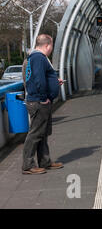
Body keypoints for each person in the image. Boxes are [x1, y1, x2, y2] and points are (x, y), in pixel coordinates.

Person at [21, 34, 64, 175]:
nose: (51, 48)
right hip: (39, 102)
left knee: (42, 133)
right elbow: (39, 79)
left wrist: (54, 81)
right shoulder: (39, 58)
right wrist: (43, 98)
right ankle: (28, 166)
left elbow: (37, 78)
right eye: (51, 45)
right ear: (48, 45)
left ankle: (45, 162)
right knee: (35, 134)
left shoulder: (33, 57)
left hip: (38, 100)